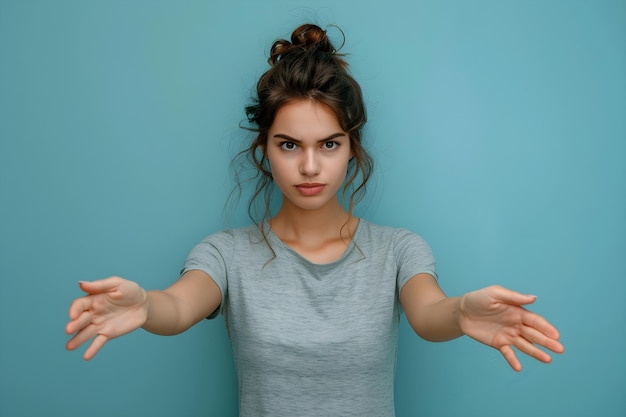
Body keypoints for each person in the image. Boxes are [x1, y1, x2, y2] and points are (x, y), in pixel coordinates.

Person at [65, 23, 564, 417]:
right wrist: (146, 307)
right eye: (289, 145)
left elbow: (428, 313)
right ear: (264, 150)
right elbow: (179, 306)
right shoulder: (224, 253)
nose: (309, 166)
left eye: (329, 144)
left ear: (352, 149)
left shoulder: (399, 249)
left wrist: (460, 313)